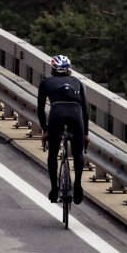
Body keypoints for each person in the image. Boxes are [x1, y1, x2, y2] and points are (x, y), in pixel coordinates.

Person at [36, 54, 90, 205]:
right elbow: (85, 111)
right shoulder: (77, 82)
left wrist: (45, 130)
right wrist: (86, 134)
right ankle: (78, 186)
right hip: (76, 113)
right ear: (69, 70)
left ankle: (54, 189)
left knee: (53, 153)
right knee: (78, 153)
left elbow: (40, 110)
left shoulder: (46, 82)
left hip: (57, 113)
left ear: (53, 69)